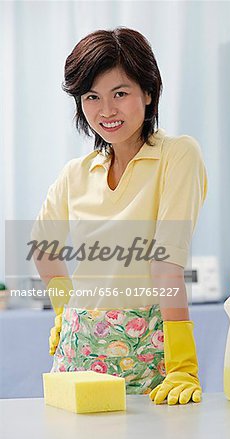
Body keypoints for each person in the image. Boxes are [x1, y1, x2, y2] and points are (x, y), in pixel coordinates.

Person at [32, 27, 207, 406]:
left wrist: (182, 364)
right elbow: (43, 251)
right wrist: (65, 311)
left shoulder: (177, 155)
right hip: (78, 356)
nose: (106, 110)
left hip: (147, 356)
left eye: (120, 93)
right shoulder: (75, 172)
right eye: (91, 97)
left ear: (148, 92)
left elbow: (166, 264)